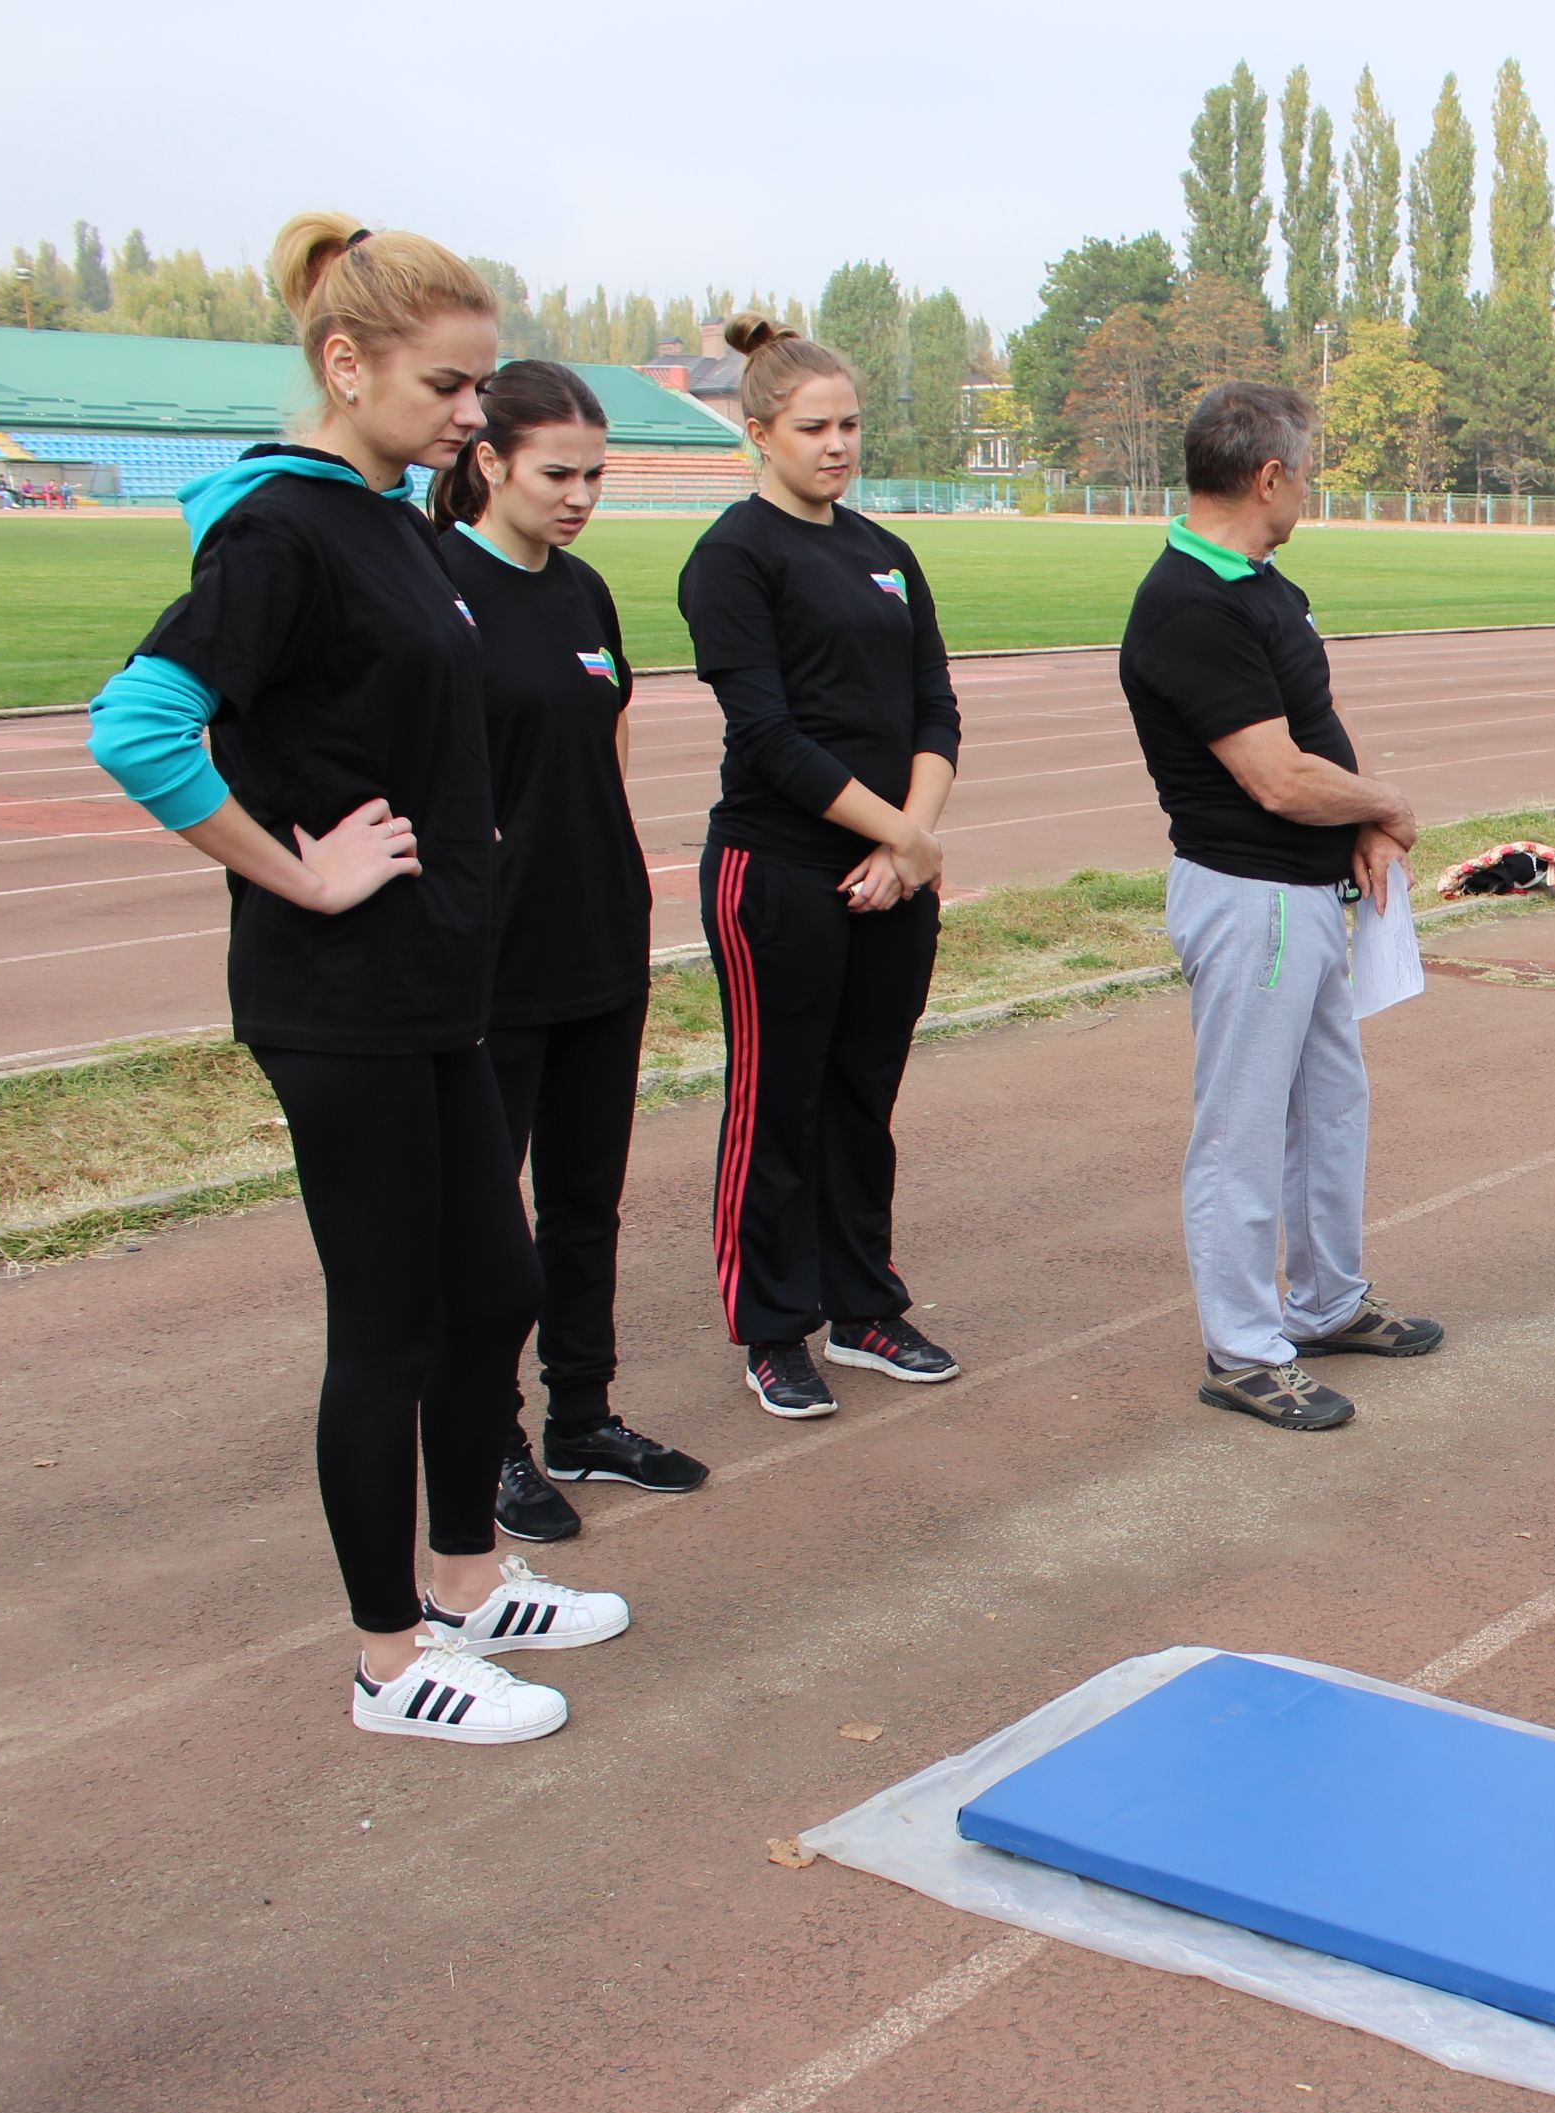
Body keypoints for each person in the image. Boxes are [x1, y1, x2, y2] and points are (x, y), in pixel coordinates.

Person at [83, 212, 627, 1745]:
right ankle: (389, 1661)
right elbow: (135, 728)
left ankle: (465, 1578)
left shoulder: (391, 518)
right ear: (347, 363)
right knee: (389, 1322)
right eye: (453, 387)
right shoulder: (280, 530)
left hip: (437, 983)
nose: (476, 413)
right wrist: (298, 868)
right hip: (342, 996)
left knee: (495, 1284)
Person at [1117, 381, 1444, 1432]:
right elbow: (1274, 775)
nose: (1310, 487)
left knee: (1329, 1109)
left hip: (1305, 891)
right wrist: (1386, 801)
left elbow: (1314, 723)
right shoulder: (1188, 605)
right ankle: (1244, 1347)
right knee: (1243, 1129)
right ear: (1269, 477)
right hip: (1248, 895)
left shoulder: (1261, 585)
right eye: (1307, 469)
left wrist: (1359, 823)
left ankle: (1326, 1301)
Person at [430, 359, 709, 1536]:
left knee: (586, 1197)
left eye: (597, 474)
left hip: (600, 933)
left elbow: (607, 739)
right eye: (559, 472)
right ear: (487, 462)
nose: (581, 493)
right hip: (491, 955)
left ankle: (581, 1416)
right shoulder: (434, 584)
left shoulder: (584, 591)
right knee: (483, 1216)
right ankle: (483, 1440)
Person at [679, 315, 964, 1420]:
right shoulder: (734, 557)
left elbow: (934, 706)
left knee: (861, 1095)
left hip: (893, 874)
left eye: (849, 424)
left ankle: (863, 1304)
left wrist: (910, 840)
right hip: (780, 873)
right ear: (759, 434)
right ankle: (771, 1325)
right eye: (814, 428)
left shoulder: (887, 555)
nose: (838, 445)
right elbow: (767, 737)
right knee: (777, 1098)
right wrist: (895, 834)